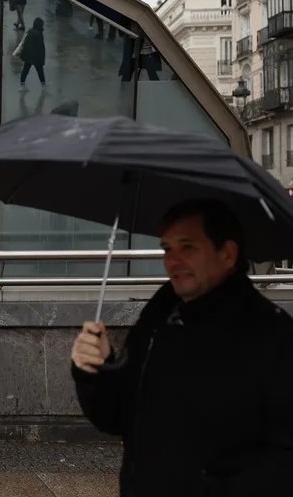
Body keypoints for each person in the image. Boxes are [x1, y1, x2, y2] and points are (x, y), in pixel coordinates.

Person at [71, 199, 293, 496]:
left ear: (227, 254)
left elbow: (284, 456)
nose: (172, 261)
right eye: (167, 249)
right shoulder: (159, 316)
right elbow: (119, 417)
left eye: (187, 247)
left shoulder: (272, 334)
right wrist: (96, 372)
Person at [19, 17, 46, 87]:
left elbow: (26, 44)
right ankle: (43, 84)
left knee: (25, 69)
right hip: (36, 56)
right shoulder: (39, 34)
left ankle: (22, 83)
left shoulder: (30, 32)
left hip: (28, 55)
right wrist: (42, 57)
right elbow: (40, 47)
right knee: (40, 71)